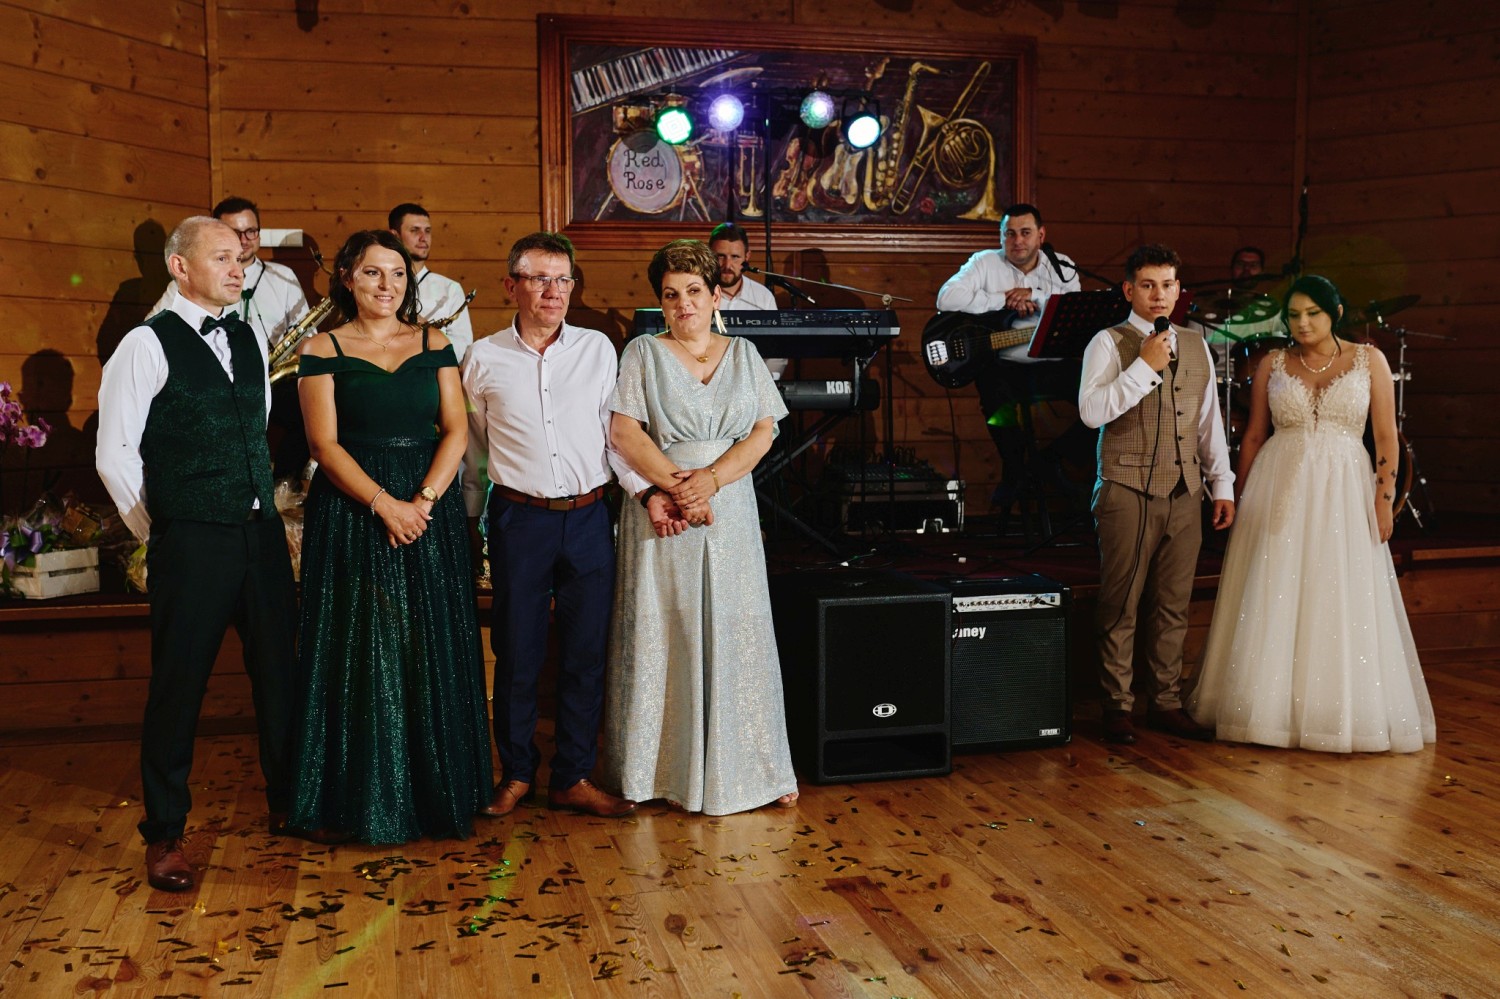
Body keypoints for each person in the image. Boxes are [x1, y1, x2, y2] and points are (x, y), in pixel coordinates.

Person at [96, 216, 297, 890]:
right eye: (222, 258)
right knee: (178, 688)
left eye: (240, 257)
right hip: (191, 539)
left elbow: (255, 426)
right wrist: (162, 529)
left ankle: (288, 802)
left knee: (280, 674)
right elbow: (114, 454)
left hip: (260, 534)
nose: (238, 268)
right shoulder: (144, 344)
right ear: (180, 267)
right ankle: (165, 834)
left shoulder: (247, 334)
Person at [287, 230, 491, 843]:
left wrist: (422, 502)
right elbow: (324, 445)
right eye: (374, 272)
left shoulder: (435, 342)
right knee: (363, 645)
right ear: (347, 278)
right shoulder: (321, 348)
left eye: (398, 273)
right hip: (354, 511)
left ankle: (437, 795)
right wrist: (384, 505)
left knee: (428, 642)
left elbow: (456, 430)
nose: (388, 285)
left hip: (428, 509)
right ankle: (364, 800)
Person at [1188, 276, 1435, 752]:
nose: (1302, 323)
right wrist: (1237, 495)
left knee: (1338, 586)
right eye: (1294, 315)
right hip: (1279, 482)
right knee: (1274, 586)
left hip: (1344, 486)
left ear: (1335, 313)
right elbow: (1255, 434)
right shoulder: (1272, 363)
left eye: (1313, 314)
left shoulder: (1369, 360)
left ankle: (1333, 710)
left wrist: (1385, 500)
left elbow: (1386, 437)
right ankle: (1267, 709)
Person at [602, 238, 799, 815]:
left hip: (729, 503)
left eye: (693, 291)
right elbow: (624, 432)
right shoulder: (642, 352)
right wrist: (677, 489)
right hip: (665, 508)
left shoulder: (745, 353)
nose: (682, 303)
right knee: (668, 627)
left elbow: (763, 431)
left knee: (740, 628)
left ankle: (757, 768)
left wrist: (711, 481)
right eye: (670, 295)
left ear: (716, 296)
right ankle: (657, 771)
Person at [461, 232, 641, 820]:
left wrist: (644, 491)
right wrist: (472, 520)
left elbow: (615, 436)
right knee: (517, 652)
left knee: (585, 653)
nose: (553, 291)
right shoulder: (483, 358)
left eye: (563, 279)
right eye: (539, 279)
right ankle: (516, 774)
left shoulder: (598, 349)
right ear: (511, 285)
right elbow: (474, 448)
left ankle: (573, 777)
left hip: (589, 517)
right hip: (519, 520)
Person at [1077, 244, 1234, 745]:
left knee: (1173, 604)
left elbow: (1208, 423)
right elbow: (1091, 413)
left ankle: (1165, 701)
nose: (1158, 294)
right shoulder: (1107, 342)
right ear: (1129, 290)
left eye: (1167, 285)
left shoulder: (1197, 344)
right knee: (1121, 602)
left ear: (1178, 289)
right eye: (1147, 285)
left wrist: (1222, 484)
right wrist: (1143, 367)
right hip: (1125, 489)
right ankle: (1117, 705)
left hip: (1186, 490)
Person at [936, 203, 1085, 520]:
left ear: (1041, 235)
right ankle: (1015, 469)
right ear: (1001, 236)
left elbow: (1071, 309)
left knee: (1102, 394)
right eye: (1010, 234)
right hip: (1005, 365)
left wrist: (1035, 295)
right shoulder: (984, 262)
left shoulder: (1063, 267)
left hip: (1052, 364)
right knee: (994, 397)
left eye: (1025, 233)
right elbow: (946, 298)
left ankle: (1049, 461)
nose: (1017, 241)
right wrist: (1003, 298)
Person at [150, 197, 309, 346]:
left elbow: (306, 334)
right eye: (234, 232)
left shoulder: (284, 277)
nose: (244, 240)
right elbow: (152, 329)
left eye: (251, 231)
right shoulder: (190, 280)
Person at [390, 203, 474, 362]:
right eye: (414, 230)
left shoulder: (450, 289)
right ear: (395, 236)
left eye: (427, 231)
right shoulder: (379, 285)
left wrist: (427, 330)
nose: (423, 237)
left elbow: (463, 351)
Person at [708, 221, 786, 380]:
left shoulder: (762, 297)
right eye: (720, 256)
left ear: (747, 257)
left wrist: (761, 385)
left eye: (735, 257)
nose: (727, 265)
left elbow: (777, 351)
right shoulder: (695, 294)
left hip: (754, 383)